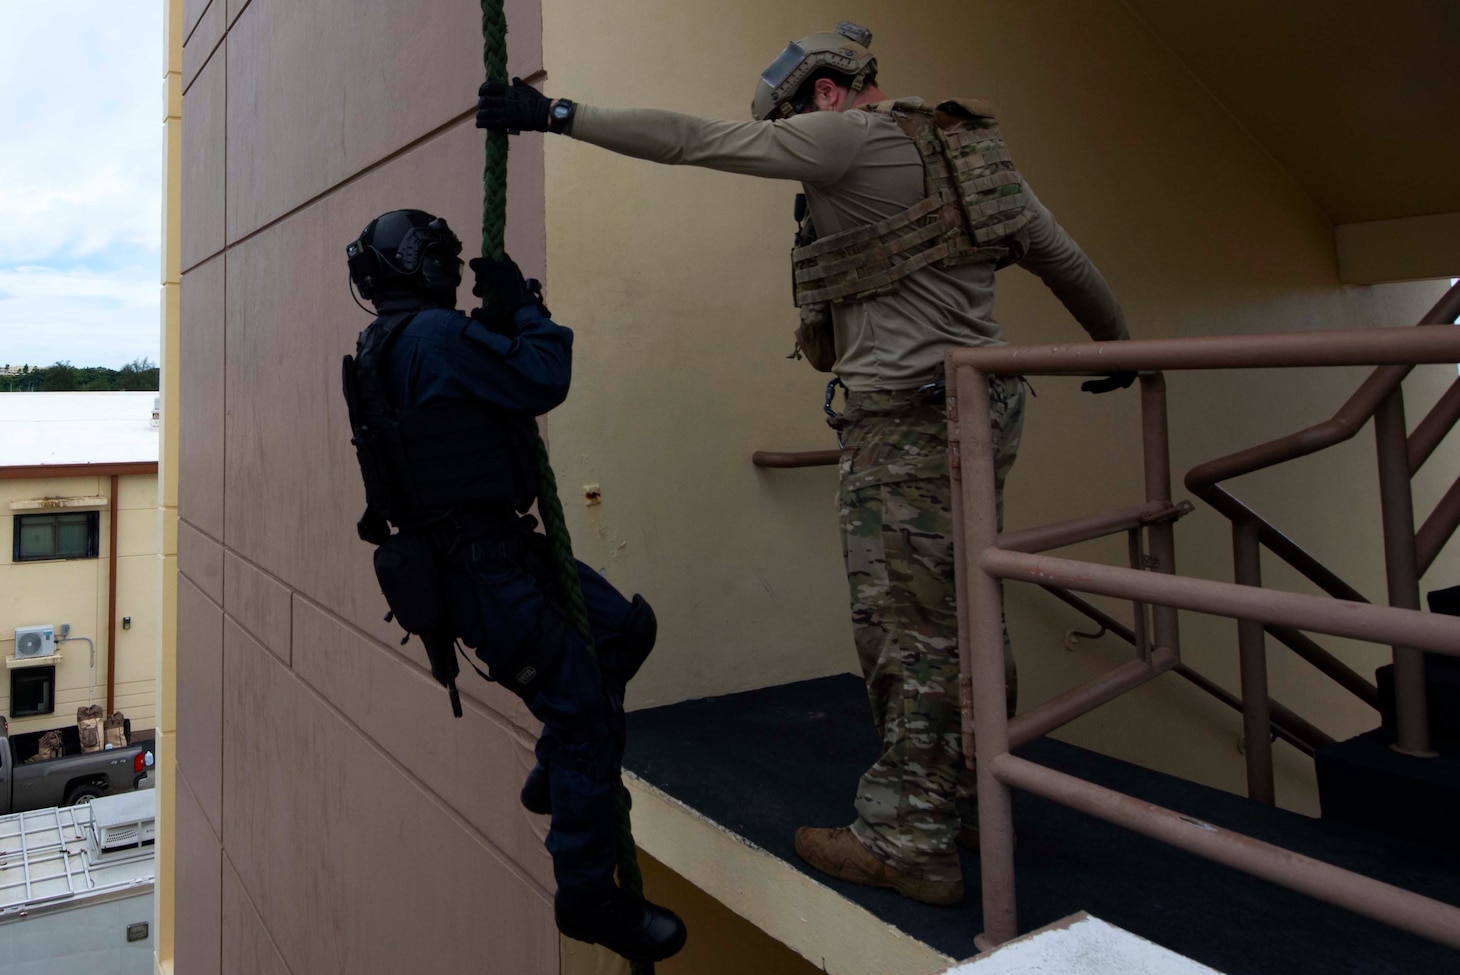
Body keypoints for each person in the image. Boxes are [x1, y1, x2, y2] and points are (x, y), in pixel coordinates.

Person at [476, 21, 1131, 907]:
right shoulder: (965, 152)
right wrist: (1118, 348)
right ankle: (969, 792)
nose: (790, 140)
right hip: (985, 410)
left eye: (791, 117)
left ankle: (910, 835)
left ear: (823, 93)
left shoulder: (846, 138)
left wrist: (554, 112)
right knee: (969, 611)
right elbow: (1061, 256)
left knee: (906, 625)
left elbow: (695, 141)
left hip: (906, 426)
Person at [340, 209, 686, 962]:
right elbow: (542, 375)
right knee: (585, 713)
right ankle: (588, 894)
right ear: (422, 268)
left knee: (622, 631)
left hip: (495, 551)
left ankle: (555, 773)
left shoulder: (379, 346)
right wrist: (524, 309)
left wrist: (498, 320)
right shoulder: (432, 337)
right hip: (484, 572)